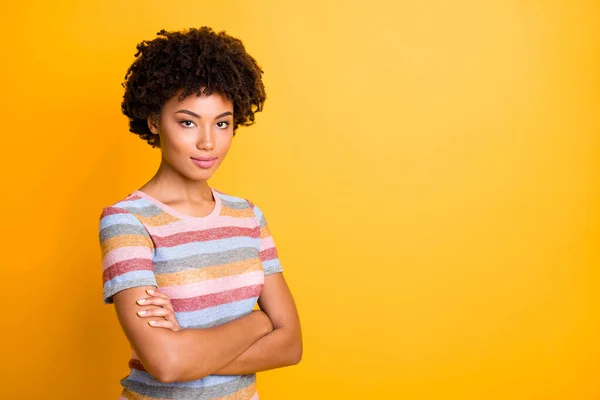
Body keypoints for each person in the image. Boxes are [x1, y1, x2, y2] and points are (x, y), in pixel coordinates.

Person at [97, 27, 302, 400]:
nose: (208, 142)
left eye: (222, 123)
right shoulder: (127, 221)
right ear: (155, 121)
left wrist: (188, 351)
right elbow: (166, 365)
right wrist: (258, 321)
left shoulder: (248, 217)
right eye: (188, 121)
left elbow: (290, 347)